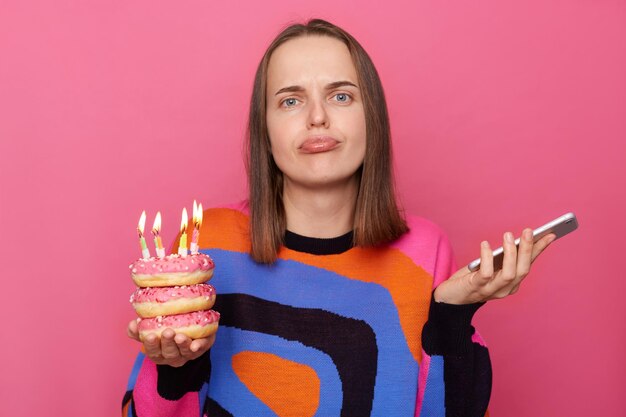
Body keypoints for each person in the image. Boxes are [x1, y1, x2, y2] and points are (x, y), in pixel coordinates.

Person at [122, 19, 555, 417]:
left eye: (341, 96)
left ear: (373, 118)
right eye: (291, 100)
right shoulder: (206, 245)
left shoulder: (426, 250)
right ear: (265, 129)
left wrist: (452, 317)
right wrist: (174, 367)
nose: (317, 118)